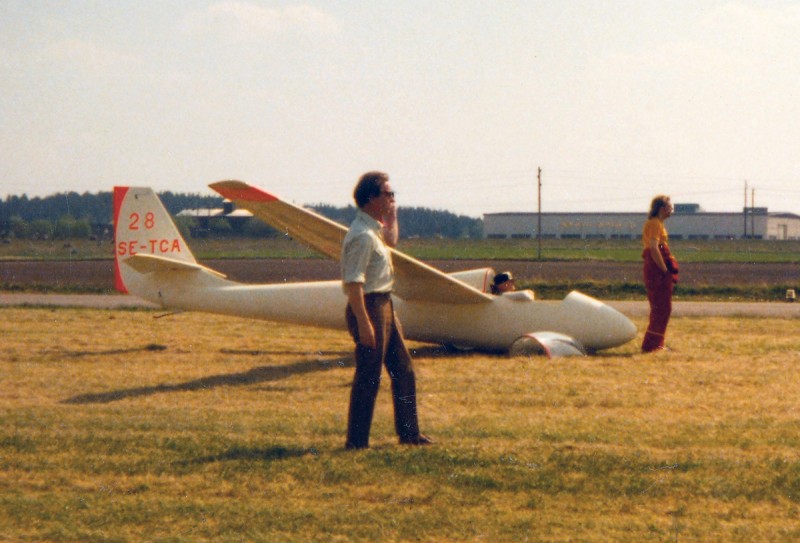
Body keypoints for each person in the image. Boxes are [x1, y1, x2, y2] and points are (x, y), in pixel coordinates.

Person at [341, 171, 433, 449]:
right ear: (371, 197)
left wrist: (392, 217)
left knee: (403, 369)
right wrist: (365, 323)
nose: (392, 199)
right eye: (388, 194)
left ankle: (409, 433)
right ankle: (356, 442)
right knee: (369, 374)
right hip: (369, 306)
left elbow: (391, 241)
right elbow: (353, 283)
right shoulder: (362, 236)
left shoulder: (373, 229)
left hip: (385, 304)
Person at [641, 195, 679, 353]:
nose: (671, 210)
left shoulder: (657, 224)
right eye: (669, 207)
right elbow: (654, 248)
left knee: (662, 308)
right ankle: (652, 345)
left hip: (656, 268)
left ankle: (657, 343)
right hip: (656, 270)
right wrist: (664, 270)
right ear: (661, 208)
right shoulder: (655, 224)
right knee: (661, 308)